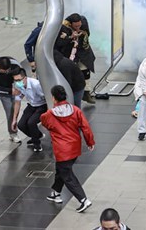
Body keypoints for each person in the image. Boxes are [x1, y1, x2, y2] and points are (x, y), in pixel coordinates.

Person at [42, 85, 95, 214]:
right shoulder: (75, 110)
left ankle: (83, 199)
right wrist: (90, 141)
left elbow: (45, 123)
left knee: (67, 175)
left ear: (53, 98)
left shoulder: (49, 114)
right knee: (61, 169)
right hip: (74, 146)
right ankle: (56, 192)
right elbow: (85, 127)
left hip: (61, 149)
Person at [11, 68, 47, 153]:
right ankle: (37, 136)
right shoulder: (17, 85)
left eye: (19, 80)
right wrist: (14, 119)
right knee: (21, 125)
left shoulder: (36, 84)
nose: (17, 82)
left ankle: (37, 144)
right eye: (15, 80)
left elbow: (47, 97)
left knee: (31, 123)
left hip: (42, 105)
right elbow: (17, 102)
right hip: (32, 105)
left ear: (25, 78)